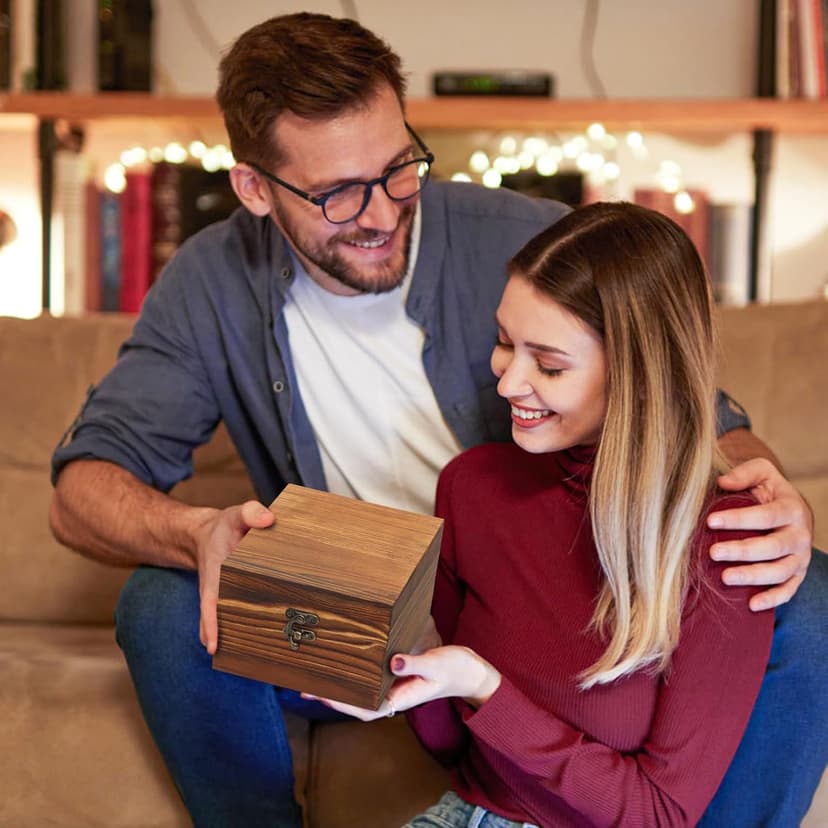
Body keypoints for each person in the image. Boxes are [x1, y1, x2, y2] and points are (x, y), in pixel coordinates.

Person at [47, 12, 823, 828]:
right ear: (254, 189)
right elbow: (82, 490)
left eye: (398, 168)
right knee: (160, 606)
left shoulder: (521, 239)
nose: (382, 212)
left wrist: (772, 501)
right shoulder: (209, 282)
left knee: (803, 598)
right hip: (353, 602)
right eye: (338, 193)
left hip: (536, 601)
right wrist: (195, 533)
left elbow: (693, 408)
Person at [312, 201, 777, 826]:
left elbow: (660, 813)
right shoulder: (471, 486)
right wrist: (411, 653)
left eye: (550, 365)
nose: (507, 382)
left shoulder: (726, 539)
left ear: (639, 376)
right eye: (505, 342)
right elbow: (453, 750)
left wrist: (486, 687)